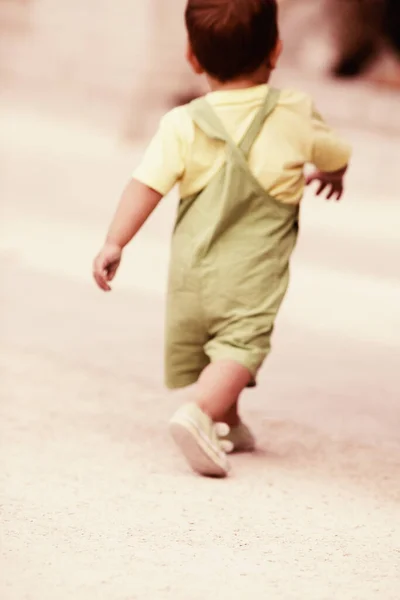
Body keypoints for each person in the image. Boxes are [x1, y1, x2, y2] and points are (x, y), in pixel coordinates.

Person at [93, 0, 351, 478]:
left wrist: (115, 242)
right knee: (240, 347)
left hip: (194, 273)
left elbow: (145, 184)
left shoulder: (182, 123)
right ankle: (201, 414)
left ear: (192, 56)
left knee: (213, 347)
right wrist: (334, 173)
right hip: (250, 275)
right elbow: (333, 152)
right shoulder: (293, 113)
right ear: (275, 49)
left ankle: (229, 420)